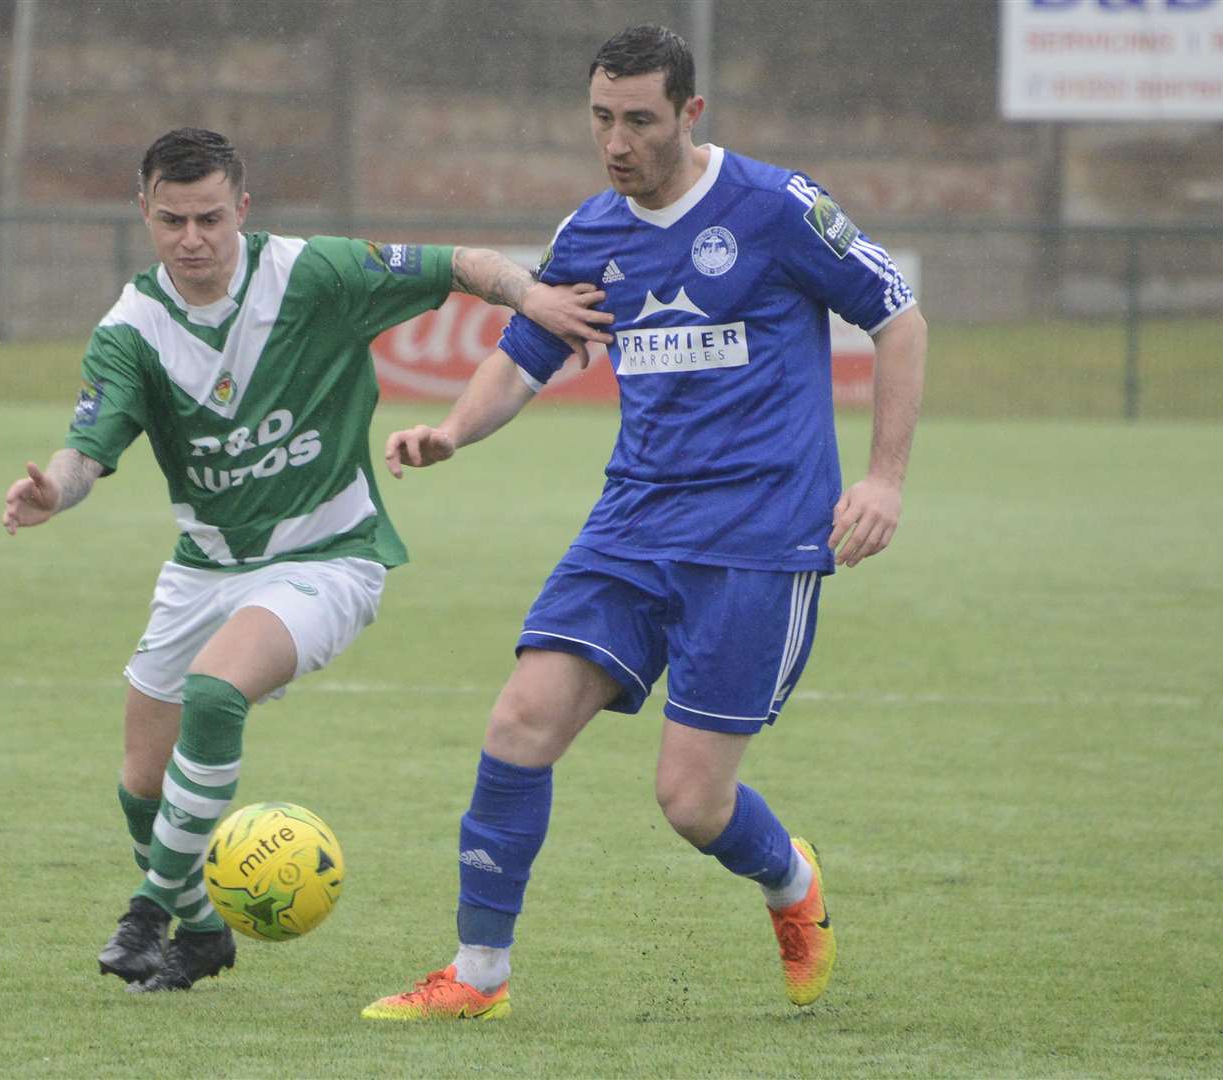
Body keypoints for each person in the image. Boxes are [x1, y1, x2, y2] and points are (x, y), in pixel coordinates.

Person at [362, 24, 926, 1020]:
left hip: (756, 541)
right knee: (518, 722)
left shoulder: (774, 208)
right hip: (628, 530)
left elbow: (896, 316)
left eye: (637, 121)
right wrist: (452, 429)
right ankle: (477, 976)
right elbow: (524, 351)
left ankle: (789, 882)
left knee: (689, 802)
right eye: (599, 118)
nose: (614, 142)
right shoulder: (592, 231)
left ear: (688, 114)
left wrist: (881, 479)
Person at [1, 127, 613, 993]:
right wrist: (54, 493)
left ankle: (145, 913)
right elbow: (86, 449)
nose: (192, 238)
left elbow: (459, 263)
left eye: (210, 217)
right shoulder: (131, 329)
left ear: (242, 209)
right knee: (142, 782)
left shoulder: (314, 274)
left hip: (329, 557)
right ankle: (204, 934)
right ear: (143, 213)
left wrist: (534, 298)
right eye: (171, 219)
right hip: (202, 568)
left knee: (215, 693)